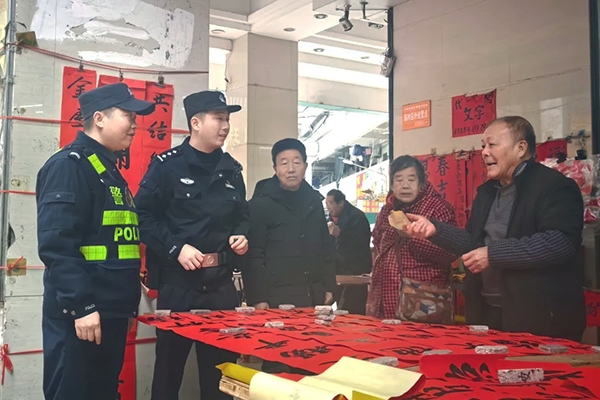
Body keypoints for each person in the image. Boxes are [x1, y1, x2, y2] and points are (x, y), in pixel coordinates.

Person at [404, 116, 585, 341]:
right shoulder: (487, 192)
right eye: (483, 146)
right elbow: (473, 242)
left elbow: (559, 242)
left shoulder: (554, 187)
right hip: (488, 311)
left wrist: (493, 255)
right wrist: (435, 230)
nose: (484, 152)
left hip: (539, 317)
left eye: (492, 145)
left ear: (520, 148)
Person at [37, 83, 155, 400]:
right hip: (81, 315)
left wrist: (123, 306)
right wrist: (82, 306)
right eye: (128, 115)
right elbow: (57, 245)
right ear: (99, 118)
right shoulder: (68, 166)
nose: (135, 124)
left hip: (109, 312)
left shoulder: (106, 168)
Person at [134, 91, 249, 400]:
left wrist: (241, 235)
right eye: (218, 118)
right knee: (168, 372)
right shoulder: (166, 166)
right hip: (179, 286)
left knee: (221, 375)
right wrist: (176, 248)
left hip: (221, 287)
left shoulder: (232, 169)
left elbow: (242, 216)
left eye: (227, 119)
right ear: (195, 123)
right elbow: (141, 216)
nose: (225, 126)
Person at [245, 138, 336, 310]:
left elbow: (325, 247)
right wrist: (258, 298)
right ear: (275, 168)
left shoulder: (314, 202)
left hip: (313, 296)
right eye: (284, 163)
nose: (291, 169)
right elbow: (254, 255)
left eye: (296, 162)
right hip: (275, 299)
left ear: (305, 166)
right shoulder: (260, 204)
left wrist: (330, 286)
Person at [371, 155, 457, 321]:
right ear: (392, 184)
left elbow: (449, 253)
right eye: (399, 180)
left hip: (422, 299)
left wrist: (412, 236)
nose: (405, 185)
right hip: (385, 296)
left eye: (411, 179)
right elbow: (376, 241)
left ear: (421, 183)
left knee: (420, 338)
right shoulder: (387, 210)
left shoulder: (438, 208)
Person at [325, 189, 372, 314]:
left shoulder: (357, 217)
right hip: (338, 271)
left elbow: (361, 242)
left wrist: (340, 233)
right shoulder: (330, 219)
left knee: (354, 309)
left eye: (330, 203)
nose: (328, 207)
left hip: (355, 271)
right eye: (326, 203)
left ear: (341, 203)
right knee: (340, 309)